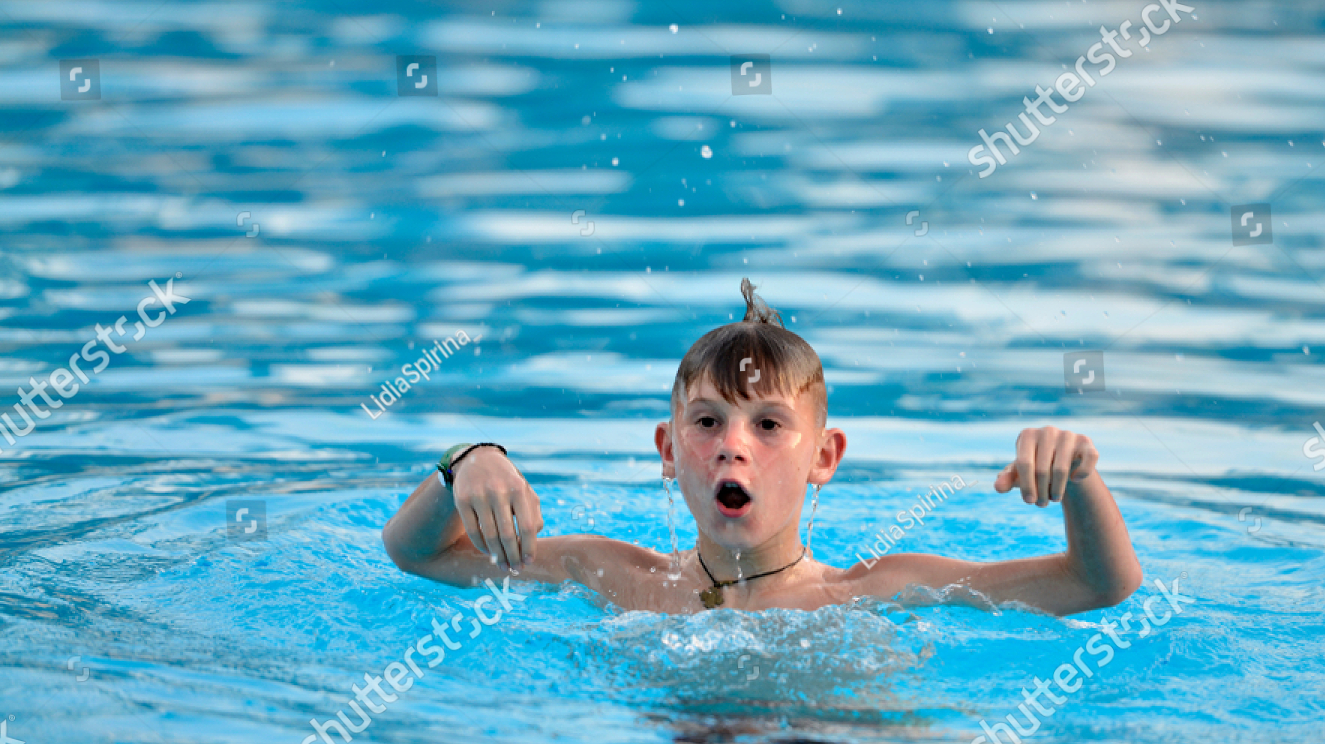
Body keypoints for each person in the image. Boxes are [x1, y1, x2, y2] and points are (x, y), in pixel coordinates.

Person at [381, 279, 1141, 615]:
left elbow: (1098, 584)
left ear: (825, 456)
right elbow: (418, 553)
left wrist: (1079, 478)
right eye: (706, 422)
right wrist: (465, 462)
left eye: (768, 424)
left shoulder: (876, 592)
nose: (731, 448)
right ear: (668, 449)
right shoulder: (613, 576)